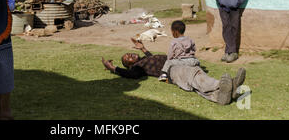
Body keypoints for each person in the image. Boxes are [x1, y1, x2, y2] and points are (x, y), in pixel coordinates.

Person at [101, 38, 246, 105]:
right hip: (173, 71)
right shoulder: (137, 68)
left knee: (197, 77)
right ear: (129, 65)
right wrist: (114, 69)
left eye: (129, 53)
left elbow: (153, 59)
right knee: (194, 76)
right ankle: (225, 85)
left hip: (179, 63)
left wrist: (143, 49)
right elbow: (131, 75)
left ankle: (221, 96)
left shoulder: (144, 61)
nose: (130, 55)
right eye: (127, 59)